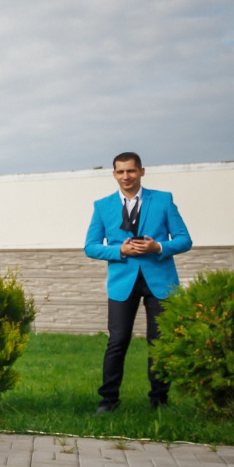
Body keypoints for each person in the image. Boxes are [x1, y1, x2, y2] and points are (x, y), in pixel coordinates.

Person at [83, 152, 192, 413]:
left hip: (160, 281)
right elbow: (91, 247)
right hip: (122, 282)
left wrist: (158, 246)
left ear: (141, 171)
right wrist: (120, 251)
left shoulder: (163, 200)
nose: (126, 176)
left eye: (131, 171)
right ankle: (108, 401)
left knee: (160, 342)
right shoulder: (103, 206)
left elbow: (184, 240)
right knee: (117, 341)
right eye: (120, 172)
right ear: (114, 175)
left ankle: (159, 400)